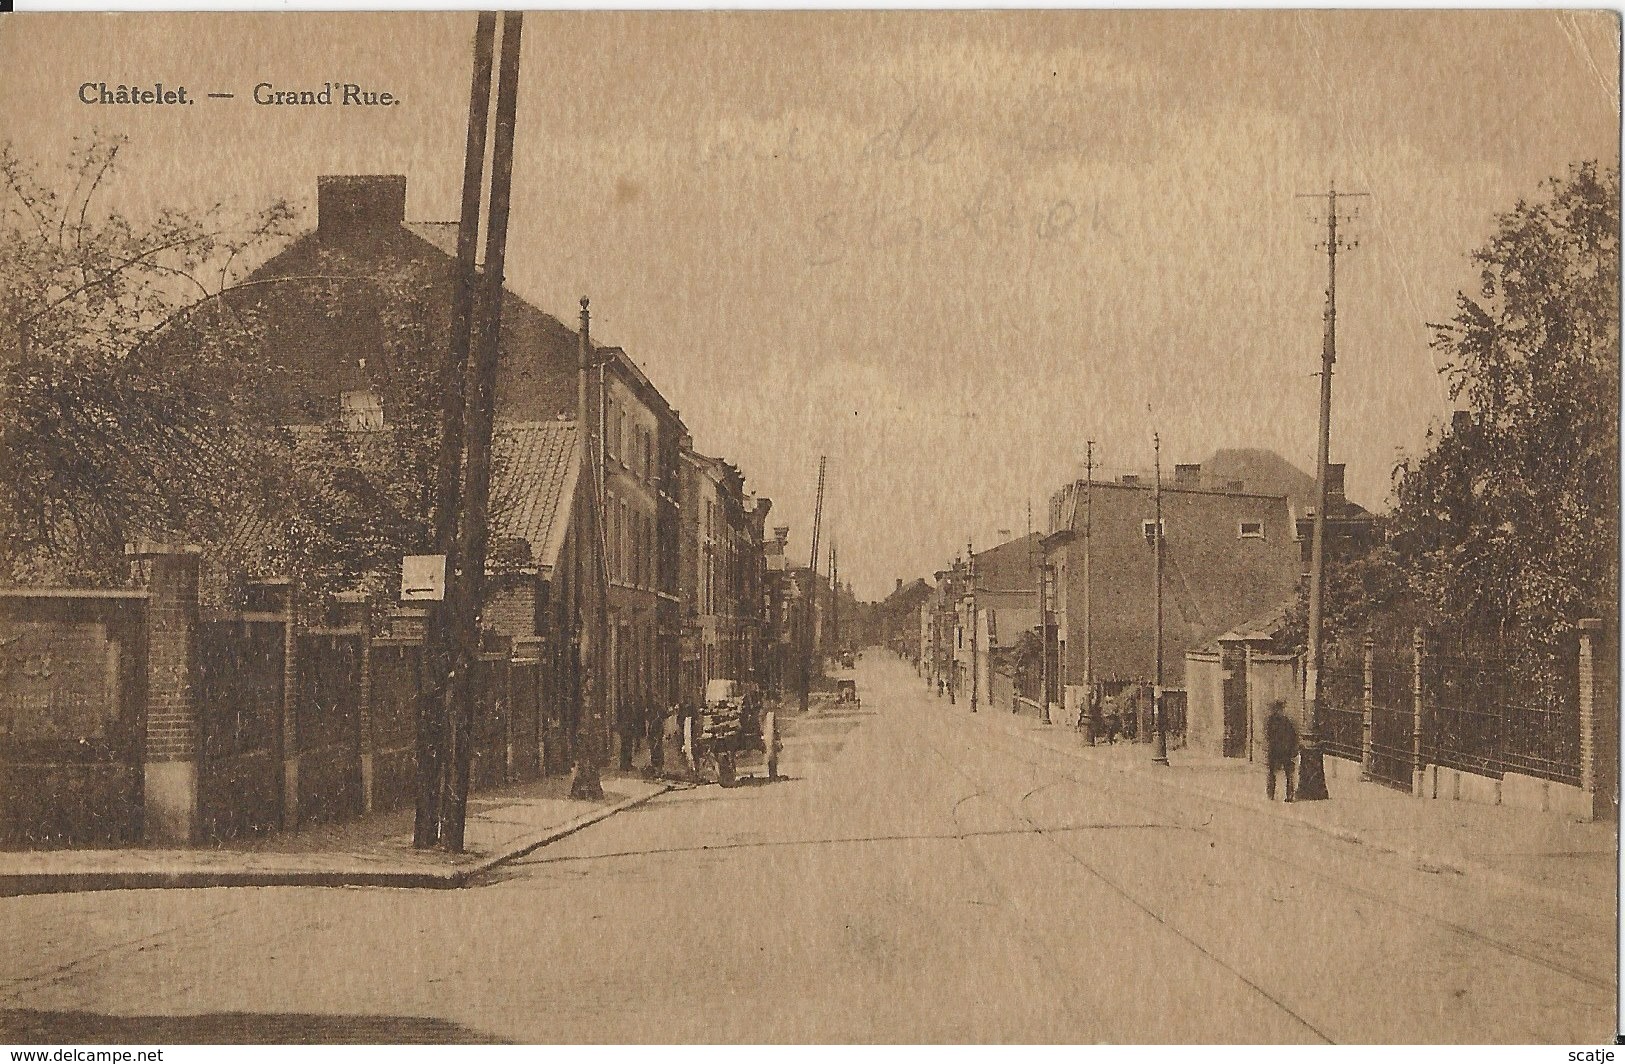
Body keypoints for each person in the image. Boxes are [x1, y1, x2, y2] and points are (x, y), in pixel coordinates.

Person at [1265, 700, 1298, 801]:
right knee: (1276, 773)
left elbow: (1269, 735)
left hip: (1281, 750)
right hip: (1280, 750)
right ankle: (1274, 793)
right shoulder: (1282, 721)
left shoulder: (1280, 721)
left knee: (1285, 773)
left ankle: (1286, 794)